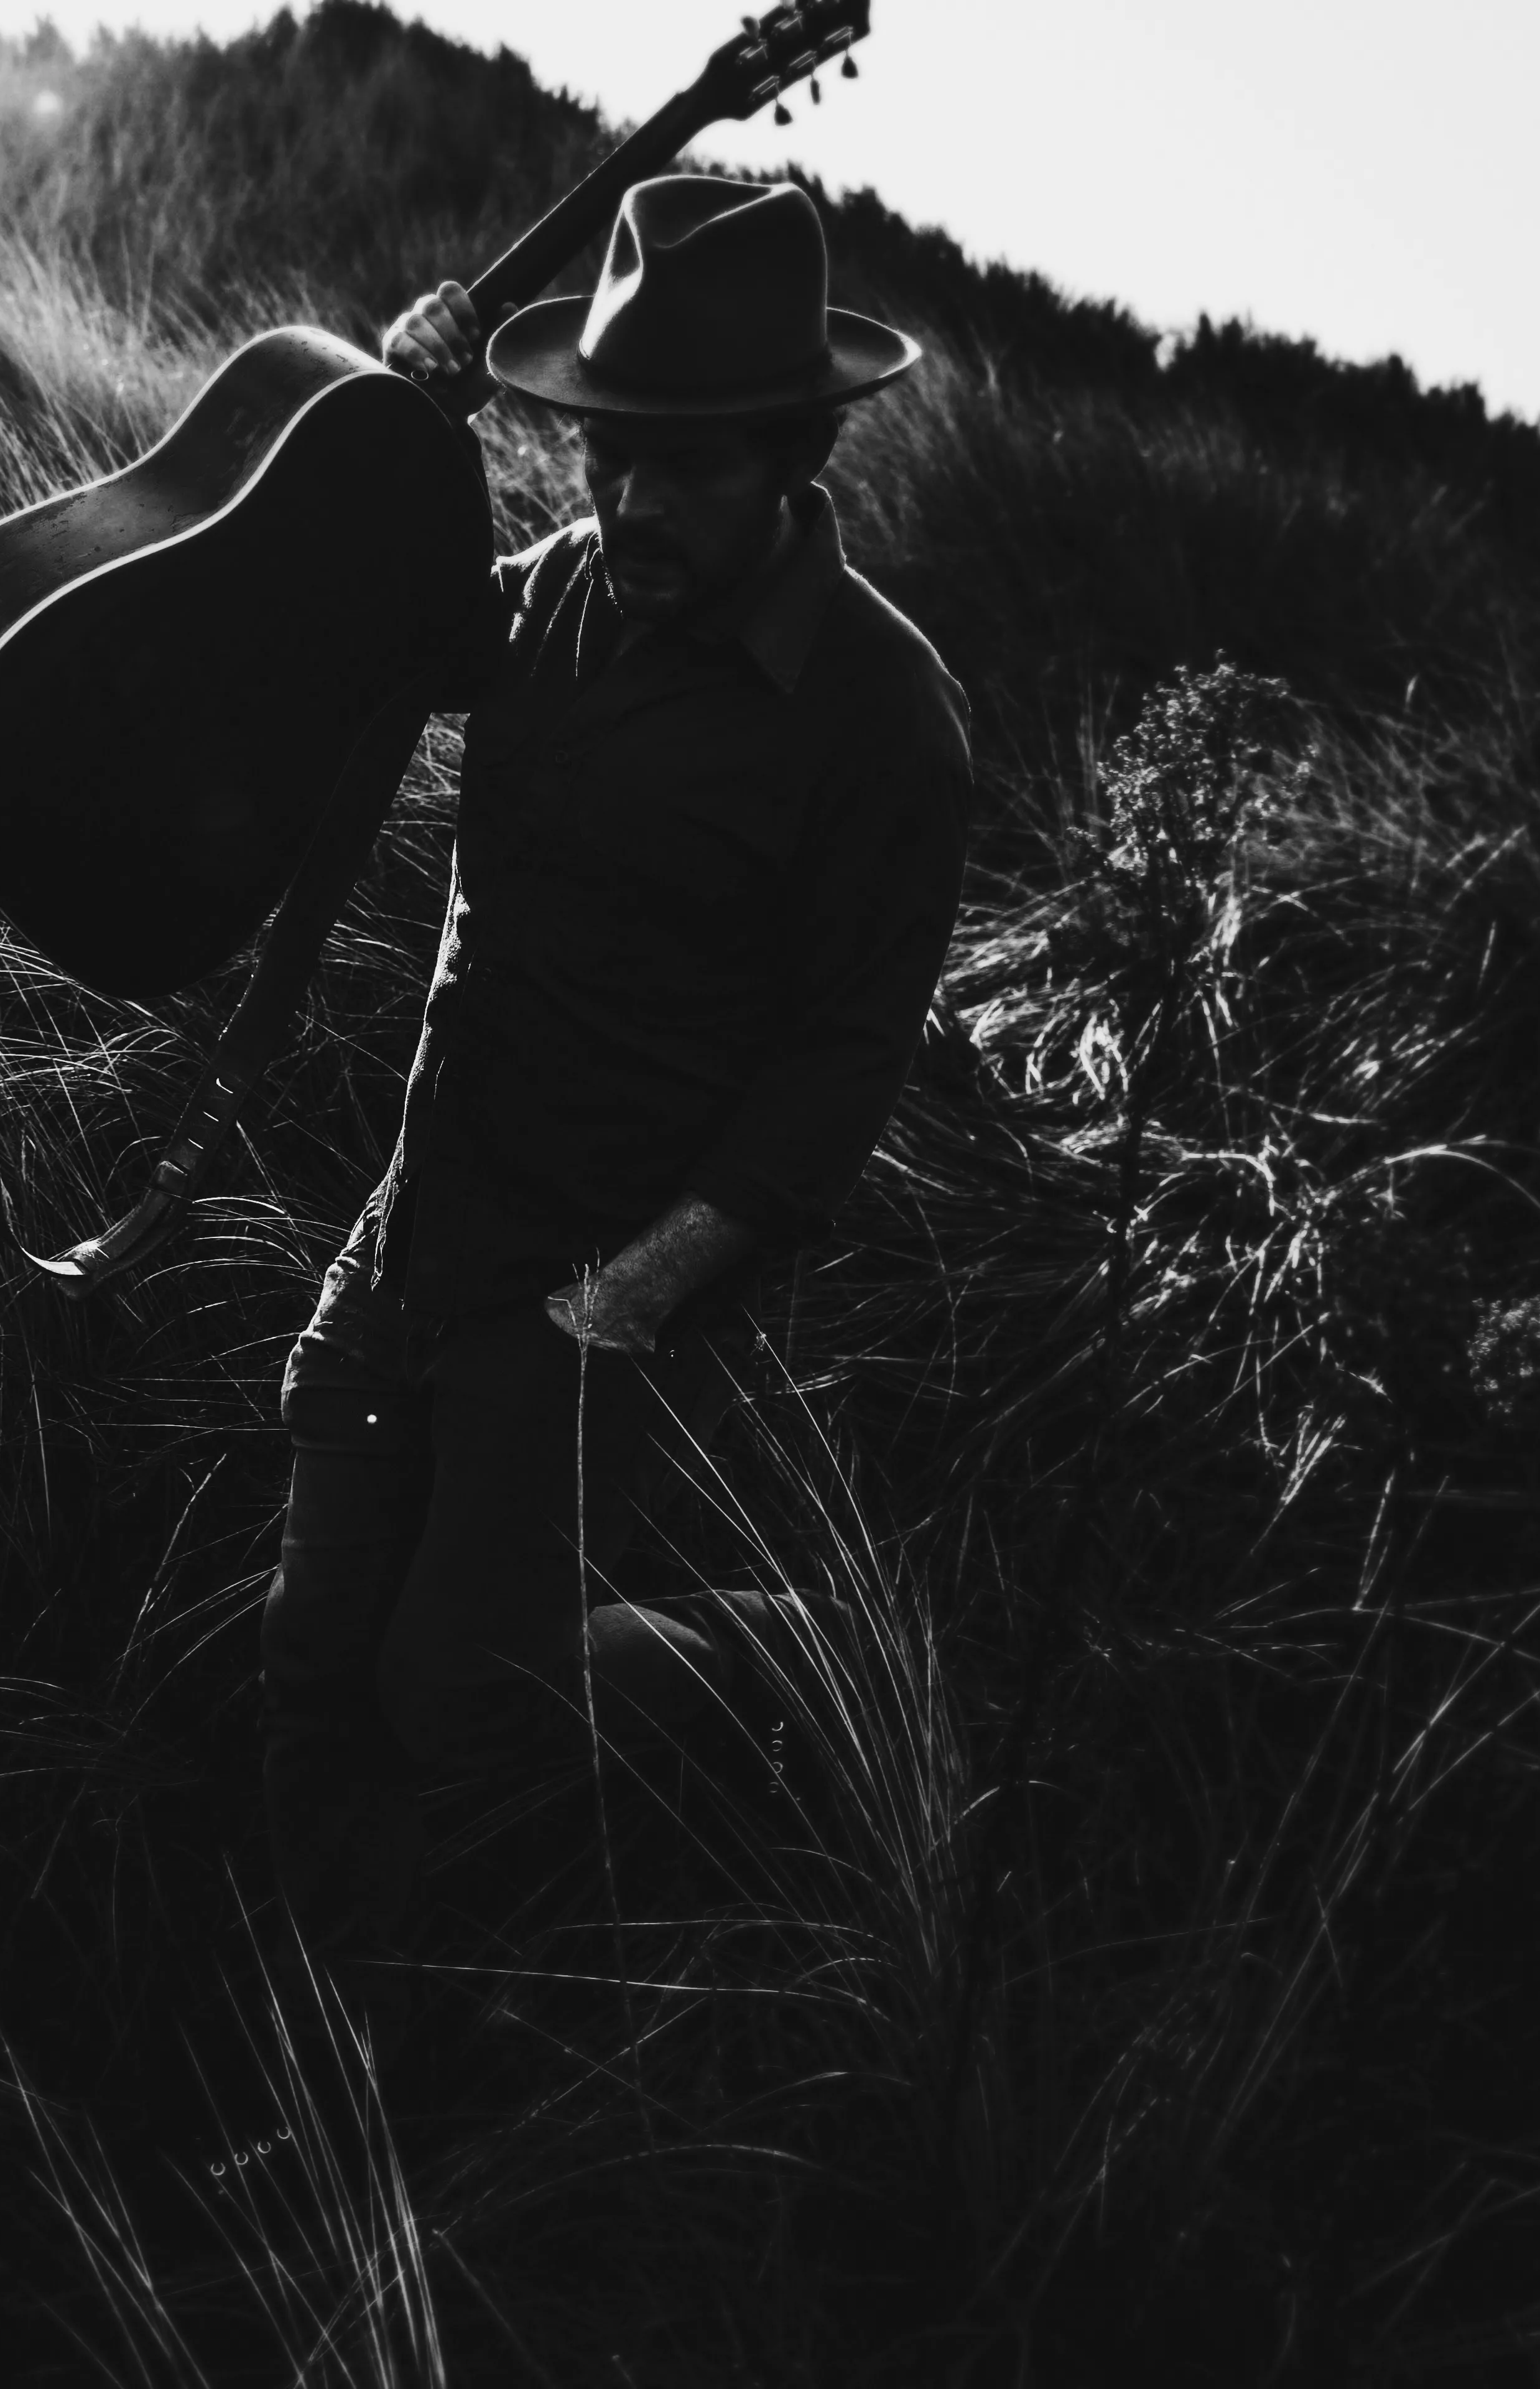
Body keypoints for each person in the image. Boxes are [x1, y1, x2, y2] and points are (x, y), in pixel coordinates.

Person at [261, 175, 978, 1955]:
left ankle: (770, 1667)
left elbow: (841, 1065)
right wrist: (397, 427)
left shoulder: (883, 719)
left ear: (795, 457)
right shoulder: (549, 598)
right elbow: (356, 637)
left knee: (455, 1704)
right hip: (421, 1221)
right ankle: (248, 1992)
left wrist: (632, 1296)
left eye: (691, 464)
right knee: (305, 1654)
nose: (634, 501)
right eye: (607, 455)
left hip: (604, 1285)